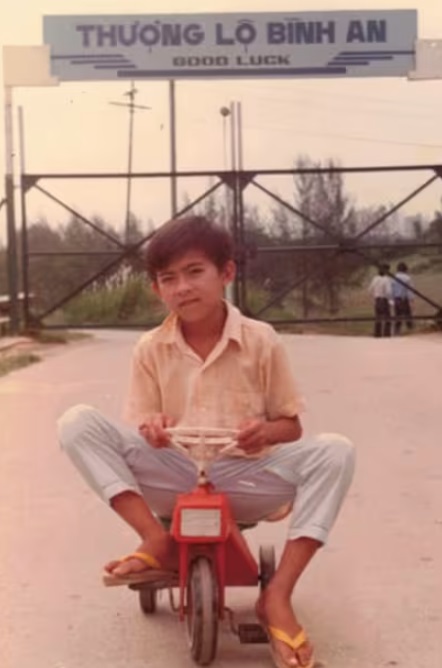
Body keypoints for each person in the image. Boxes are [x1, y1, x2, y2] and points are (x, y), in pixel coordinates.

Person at [58, 216, 355, 668]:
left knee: (336, 450)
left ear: (226, 273)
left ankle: (277, 595)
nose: (183, 288)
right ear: (157, 289)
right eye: (168, 278)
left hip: (246, 474)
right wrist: (154, 427)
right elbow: (144, 424)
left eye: (195, 272)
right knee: (77, 422)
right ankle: (156, 540)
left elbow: (291, 426)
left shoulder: (261, 340)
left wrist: (266, 431)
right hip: (176, 473)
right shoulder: (150, 347)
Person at [368, 263, 392, 337]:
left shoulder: (375, 279)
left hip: (377, 299)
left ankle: (377, 333)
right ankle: (386, 333)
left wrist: (374, 295)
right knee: (387, 317)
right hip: (384, 299)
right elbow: (388, 291)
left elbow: (370, 289)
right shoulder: (386, 279)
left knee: (378, 317)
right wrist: (390, 300)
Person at [392, 262, 414, 335]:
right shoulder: (407, 278)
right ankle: (410, 329)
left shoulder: (394, 277)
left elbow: (392, 289)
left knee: (397, 314)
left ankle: (397, 330)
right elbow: (410, 289)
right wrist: (411, 298)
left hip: (396, 298)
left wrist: (391, 299)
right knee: (407, 314)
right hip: (404, 299)